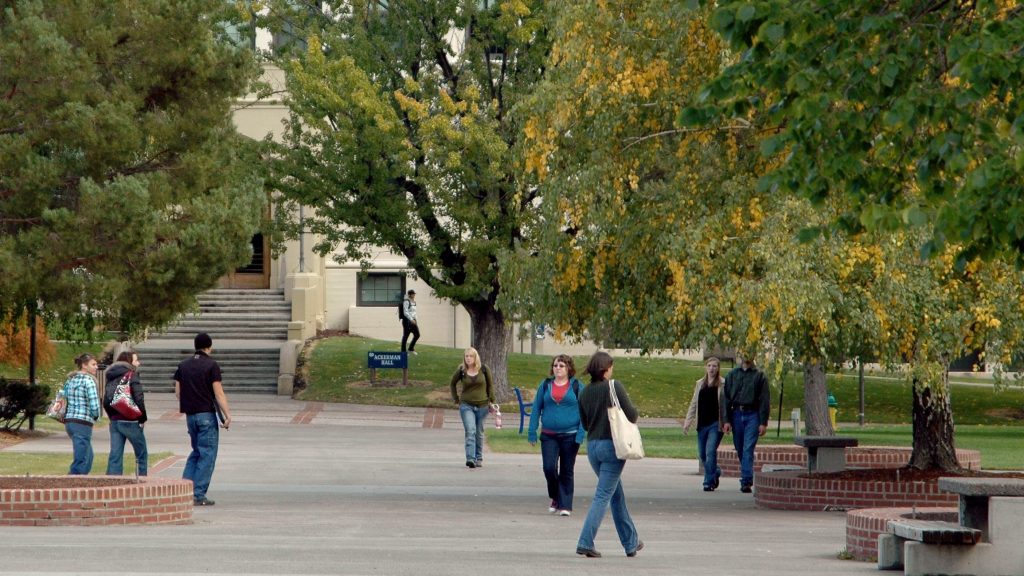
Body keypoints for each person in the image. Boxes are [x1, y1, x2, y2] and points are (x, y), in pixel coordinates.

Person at [575, 351, 642, 558]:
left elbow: (585, 424)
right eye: (611, 366)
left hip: (593, 447)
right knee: (603, 495)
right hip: (612, 447)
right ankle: (585, 541)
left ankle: (631, 543)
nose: (612, 370)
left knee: (616, 495)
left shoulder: (584, 392)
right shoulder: (614, 386)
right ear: (605, 368)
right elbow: (631, 415)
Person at [174, 332, 232, 506]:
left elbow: (178, 392)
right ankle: (198, 494)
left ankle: (183, 489)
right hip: (206, 415)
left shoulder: (183, 365)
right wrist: (227, 415)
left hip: (190, 416)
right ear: (209, 346)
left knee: (196, 452)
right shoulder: (211, 365)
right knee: (207, 454)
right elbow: (218, 392)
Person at [528, 354, 584, 516]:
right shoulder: (545, 385)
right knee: (549, 468)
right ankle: (556, 496)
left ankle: (565, 505)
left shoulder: (577, 386)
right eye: (555, 365)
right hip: (549, 435)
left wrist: (581, 433)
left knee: (567, 470)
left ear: (569, 369)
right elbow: (536, 408)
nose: (557, 368)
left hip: (570, 435)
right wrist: (532, 431)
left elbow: (585, 412)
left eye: (561, 366)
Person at [722, 353, 770, 493]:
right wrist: (726, 420)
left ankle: (746, 481)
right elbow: (726, 399)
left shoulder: (759, 376)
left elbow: (764, 400)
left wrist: (763, 422)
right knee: (740, 447)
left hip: (752, 415)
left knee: (748, 448)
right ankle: (746, 473)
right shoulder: (732, 375)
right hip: (736, 414)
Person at [682, 357, 725, 492]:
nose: (712, 369)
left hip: (715, 424)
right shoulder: (700, 384)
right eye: (709, 366)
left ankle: (708, 482)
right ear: (706, 367)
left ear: (718, 368)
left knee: (710, 451)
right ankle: (715, 471)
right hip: (702, 424)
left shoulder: (723, 384)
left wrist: (727, 422)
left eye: (714, 366)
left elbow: (726, 405)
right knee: (703, 455)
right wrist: (688, 421)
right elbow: (694, 403)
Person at [103, 350, 148, 476]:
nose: (138, 363)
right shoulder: (132, 375)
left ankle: (112, 484)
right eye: (136, 360)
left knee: (115, 455)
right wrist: (142, 418)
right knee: (141, 454)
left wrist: (112, 416)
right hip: (130, 420)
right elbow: (138, 398)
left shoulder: (111, 376)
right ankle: (142, 481)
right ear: (129, 362)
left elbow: (106, 399)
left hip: (115, 420)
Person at [449, 347, 494, 468]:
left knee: (479, 432)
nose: (468, 358)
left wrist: (492, 400)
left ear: (475, 357)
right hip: (466, 405)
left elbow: (490, 385)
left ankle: (479, 457)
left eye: (471, 356)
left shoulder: (484, 369)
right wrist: (456, 399)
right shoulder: (461, 370)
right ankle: (470, 458)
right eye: (466, 356)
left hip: (483, 405)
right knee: (470, 430)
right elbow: (452, 383)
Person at [63, 353, 101, 475]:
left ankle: (82, 481)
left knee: (88, 456)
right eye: (93, 364)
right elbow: (94, 404)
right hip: (82, 422)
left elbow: (65, 397)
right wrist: (96, 416)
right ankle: (73, 483)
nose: (96, 367)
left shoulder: (71, 380)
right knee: (82, 458)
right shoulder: (89, 381)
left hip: (70, 421)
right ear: (84, 365)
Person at [400, 289, 420, 355]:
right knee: (406, 336)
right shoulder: (406, 301)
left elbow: (414, 312)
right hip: (407, 321)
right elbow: (405, 312)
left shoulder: (414, 302)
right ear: (410, 294)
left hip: (413, 321)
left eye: (414, 294)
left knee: (417, 335)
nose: (414, 295)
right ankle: (403, 352)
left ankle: (411, 349)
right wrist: (411, 319)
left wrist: (415, 320)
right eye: (413, 294)